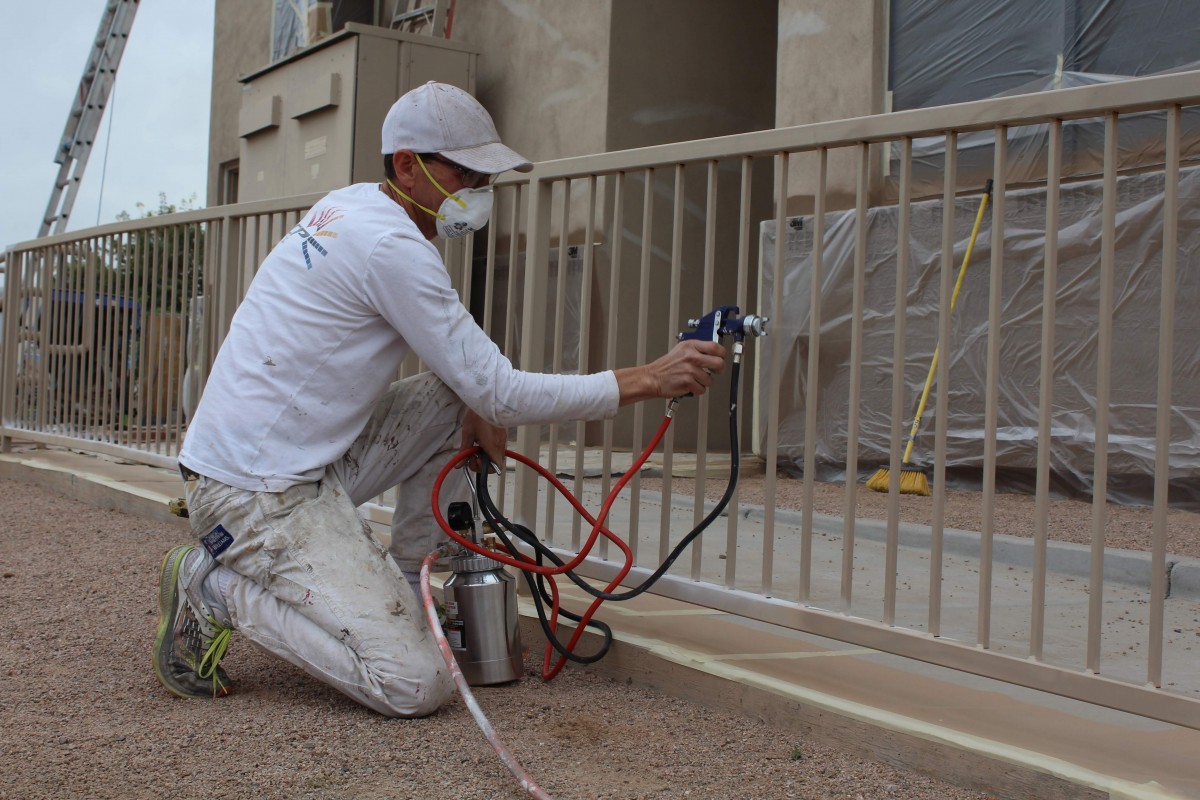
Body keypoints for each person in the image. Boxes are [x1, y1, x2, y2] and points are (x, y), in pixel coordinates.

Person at [153, 81, 726, 717]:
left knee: (456, 397)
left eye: (487, 175)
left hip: (286, 463)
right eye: (468, 171)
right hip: (254, 495)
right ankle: (214, 589)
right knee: (414, 684)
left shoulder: (355, 208)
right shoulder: (390, 246)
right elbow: (503, 391)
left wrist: (474, 397)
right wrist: (649, 377)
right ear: (407, 164)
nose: (481, 189)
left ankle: (408, 588)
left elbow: (475, 382)